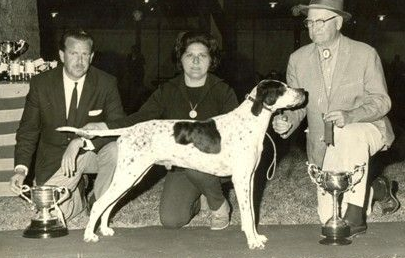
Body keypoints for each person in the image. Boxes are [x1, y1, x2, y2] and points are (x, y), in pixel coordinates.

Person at [83, 31, 239, 230]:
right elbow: (140, 118)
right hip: (181, 166)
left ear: (212, 60)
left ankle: (218, 205)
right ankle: (200, 198)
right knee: (171, 220)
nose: (196, 61)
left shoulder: (223, 90)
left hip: (214, 165)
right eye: (189, 55)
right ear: (180, 59)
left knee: (195, 158)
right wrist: (105, 126)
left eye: (203, 55)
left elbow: (234, 135)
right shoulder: (168, 90)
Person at [272, 0, 399, 237]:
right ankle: (377, 188)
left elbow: (382, 101)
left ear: (338, 22)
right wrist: (286, 119)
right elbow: (297, 105)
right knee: (327, 217)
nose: (313, 27)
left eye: (320, 21)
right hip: (323, 144)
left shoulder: (365, 53)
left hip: (367, 127)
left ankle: (355, 215)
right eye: (309, 22)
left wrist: (350, 115)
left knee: (348, 133)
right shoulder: (297, 59)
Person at [9, 29, 126, 220]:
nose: (80, 61)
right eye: (73, 54)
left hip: (90, 153)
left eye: (85, 54)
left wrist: (80, 142)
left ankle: (100, 203)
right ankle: (78, 194)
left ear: (92, 56)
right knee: (52, 213)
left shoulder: (106, 83)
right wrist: (20, 169)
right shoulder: (41, 84)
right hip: (53, 160)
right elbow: (28, 130)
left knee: (115, 150)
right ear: (62, 55)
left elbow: (116, 127)